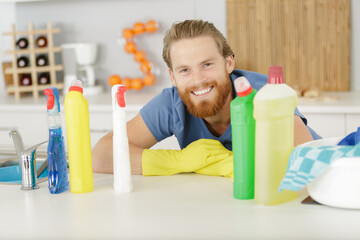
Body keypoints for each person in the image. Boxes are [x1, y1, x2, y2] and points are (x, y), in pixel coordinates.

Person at [92, 19, 320, 176]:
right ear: (172, 76)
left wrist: (232, 165)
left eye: (207, 64)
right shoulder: (172, 104)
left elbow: (306, 161)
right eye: (184, 70)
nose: (198, 79)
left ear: (229, 63)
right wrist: (179, 161)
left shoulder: (265, 96)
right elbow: (101, 156)